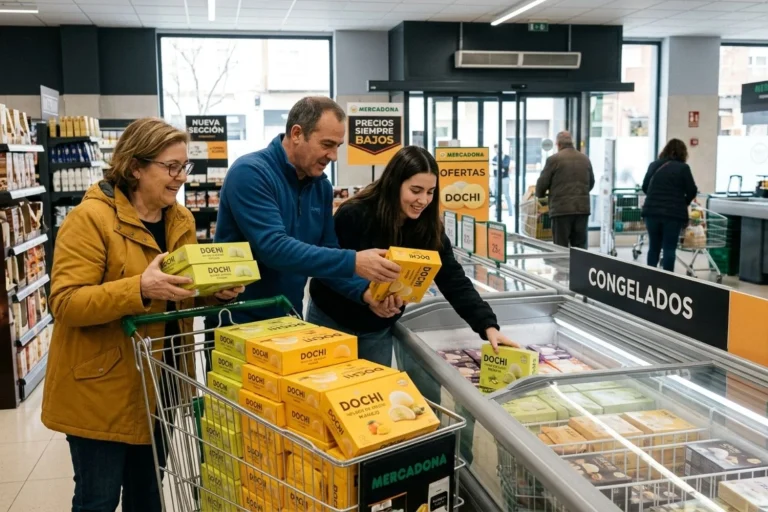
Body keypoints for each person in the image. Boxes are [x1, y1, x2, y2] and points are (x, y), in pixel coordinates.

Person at [41, 118, 244, 512]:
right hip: (101, 389)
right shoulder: (91, 220)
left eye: (185, 167)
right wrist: (138, 288)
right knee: (97, 500)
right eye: (171, 167)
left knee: (148, 496)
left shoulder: (179, 220)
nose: (181, 177)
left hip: (160, 381)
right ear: (135, 167)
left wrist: (210, 294)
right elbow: (65, 302)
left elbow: (176, 298)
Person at [307, 146, 518, 366]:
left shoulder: (429, 227)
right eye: (415, 190)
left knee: (376, 396)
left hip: (376, 330)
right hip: (331, 320)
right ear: (394, 184)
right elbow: (327, 267)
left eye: (430, 192)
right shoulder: (355, 214)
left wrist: (487, 326)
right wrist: (366, 294)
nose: (423, 200)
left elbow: (453, 278)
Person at [215, 96, 400, 322]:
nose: (333, 156)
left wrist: (364, 291)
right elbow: (273, 248)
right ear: (296, 134)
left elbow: (326, 251)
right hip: (238, 322)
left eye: (338, 146)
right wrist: (355, 261)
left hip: (288, 320)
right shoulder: (250, 173)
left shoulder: (321, 186)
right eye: (327, 144)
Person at [642, 138, 698, 272]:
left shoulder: (653, 165)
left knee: (653, 247)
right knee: (669, 248)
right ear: (682, 153)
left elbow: (645, 187)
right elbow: (692, 190)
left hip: (652, 212)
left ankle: (651, 277)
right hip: (673, 215)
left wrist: (654, 197)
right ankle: (668, 282)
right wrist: (683, 202)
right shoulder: (683, 168)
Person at [535, 131, 595, 249]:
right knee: (580, 248)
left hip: (561, 210)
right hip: (582, 209)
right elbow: (591, 183)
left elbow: (542, 183)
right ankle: (579, 267)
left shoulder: (554, 160)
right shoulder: (585, 159)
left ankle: (562, 268)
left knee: (560, 247)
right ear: (571, 142)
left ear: (558, 144)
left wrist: (540, 195)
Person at [492, 143, 513, 213]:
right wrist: (501, 168)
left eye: (497, 149)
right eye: (495, 149)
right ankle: (497, 212)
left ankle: (511, 212)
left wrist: (500, 167)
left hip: (505, 178)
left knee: (507, 195)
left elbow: (506, 166)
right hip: (497, 178)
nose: (496, 151)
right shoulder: (494, 158)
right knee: (497, 195)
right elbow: (495, 170)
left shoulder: (507, 157)